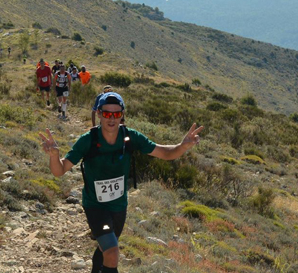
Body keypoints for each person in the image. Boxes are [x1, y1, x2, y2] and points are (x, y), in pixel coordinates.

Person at [38, 92, 203, 273]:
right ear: (99, 114)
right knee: (112, 251)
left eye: (117, 114)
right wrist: (54, 156)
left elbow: (165, 153)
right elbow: (59, 171)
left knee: (106, 247)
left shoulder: (130, 137)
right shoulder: (88, 141)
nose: (112, 118)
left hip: (119, 206)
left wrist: (183, 146)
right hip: (95, 206)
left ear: (122, 115)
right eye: (107, 114)